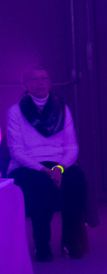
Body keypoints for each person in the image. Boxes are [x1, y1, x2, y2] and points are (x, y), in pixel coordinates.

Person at [6, 67, 88, 261]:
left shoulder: (63, 109)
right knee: (42, 187)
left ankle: (70, 242)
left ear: (50, 82)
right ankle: (41, 245)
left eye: (44, 78)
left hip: (59, 163)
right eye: (34, 79)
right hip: (28, 165)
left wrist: (59, 168)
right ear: (25, 85)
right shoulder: (15, 112)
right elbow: (16, 151)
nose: (40, 82)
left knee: (76, 181)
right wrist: (44, 170)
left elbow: (72, 147)